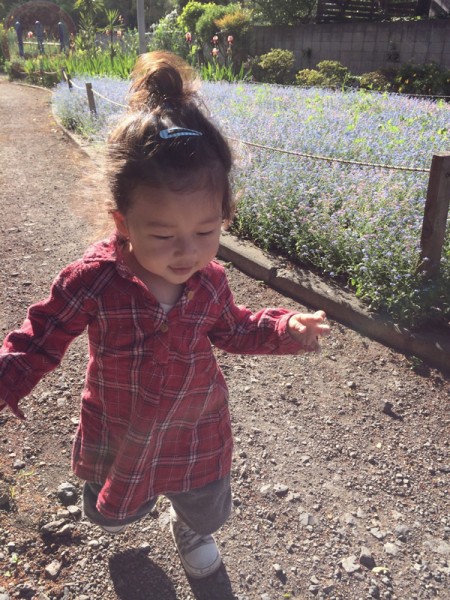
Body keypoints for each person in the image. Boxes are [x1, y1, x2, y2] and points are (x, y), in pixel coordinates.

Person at [0, 51, 330, 580]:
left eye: (206, 231)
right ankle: (138, 495)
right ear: (122, 221)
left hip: (196, 425)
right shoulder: (94, 280)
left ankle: (190, 527)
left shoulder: (211, 281)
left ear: (223, 215)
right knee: (111, 513)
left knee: (205, 502)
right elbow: (40, 336)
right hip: (120, 423)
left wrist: (284, 327)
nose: (187, 251)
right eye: (162, 234)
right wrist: (7, 373)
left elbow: (235, 327)